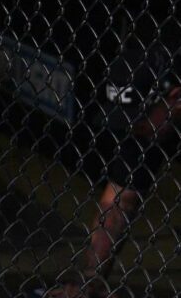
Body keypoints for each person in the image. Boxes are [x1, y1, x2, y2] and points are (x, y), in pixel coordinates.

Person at [49, 48, 180, 298]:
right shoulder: (146, 124)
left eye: (139, 121)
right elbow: (120, 200)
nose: (134, 129)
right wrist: (89, 280)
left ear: (175, 97)